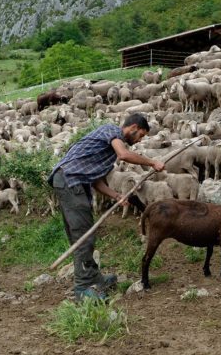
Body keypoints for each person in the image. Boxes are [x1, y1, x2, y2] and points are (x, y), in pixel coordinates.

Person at [48, 113, 165, 302]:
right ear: (133, 127)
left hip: (71, 181)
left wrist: (116, 195)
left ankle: (94, 277)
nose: (139, 140)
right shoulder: (112, 131)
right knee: (83, 235)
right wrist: (152, 162)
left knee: (84, 232)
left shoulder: (107, 150)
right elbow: (124, 155)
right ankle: (82, 289)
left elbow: (95, 180)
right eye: (141, 135)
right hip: (70, 181)